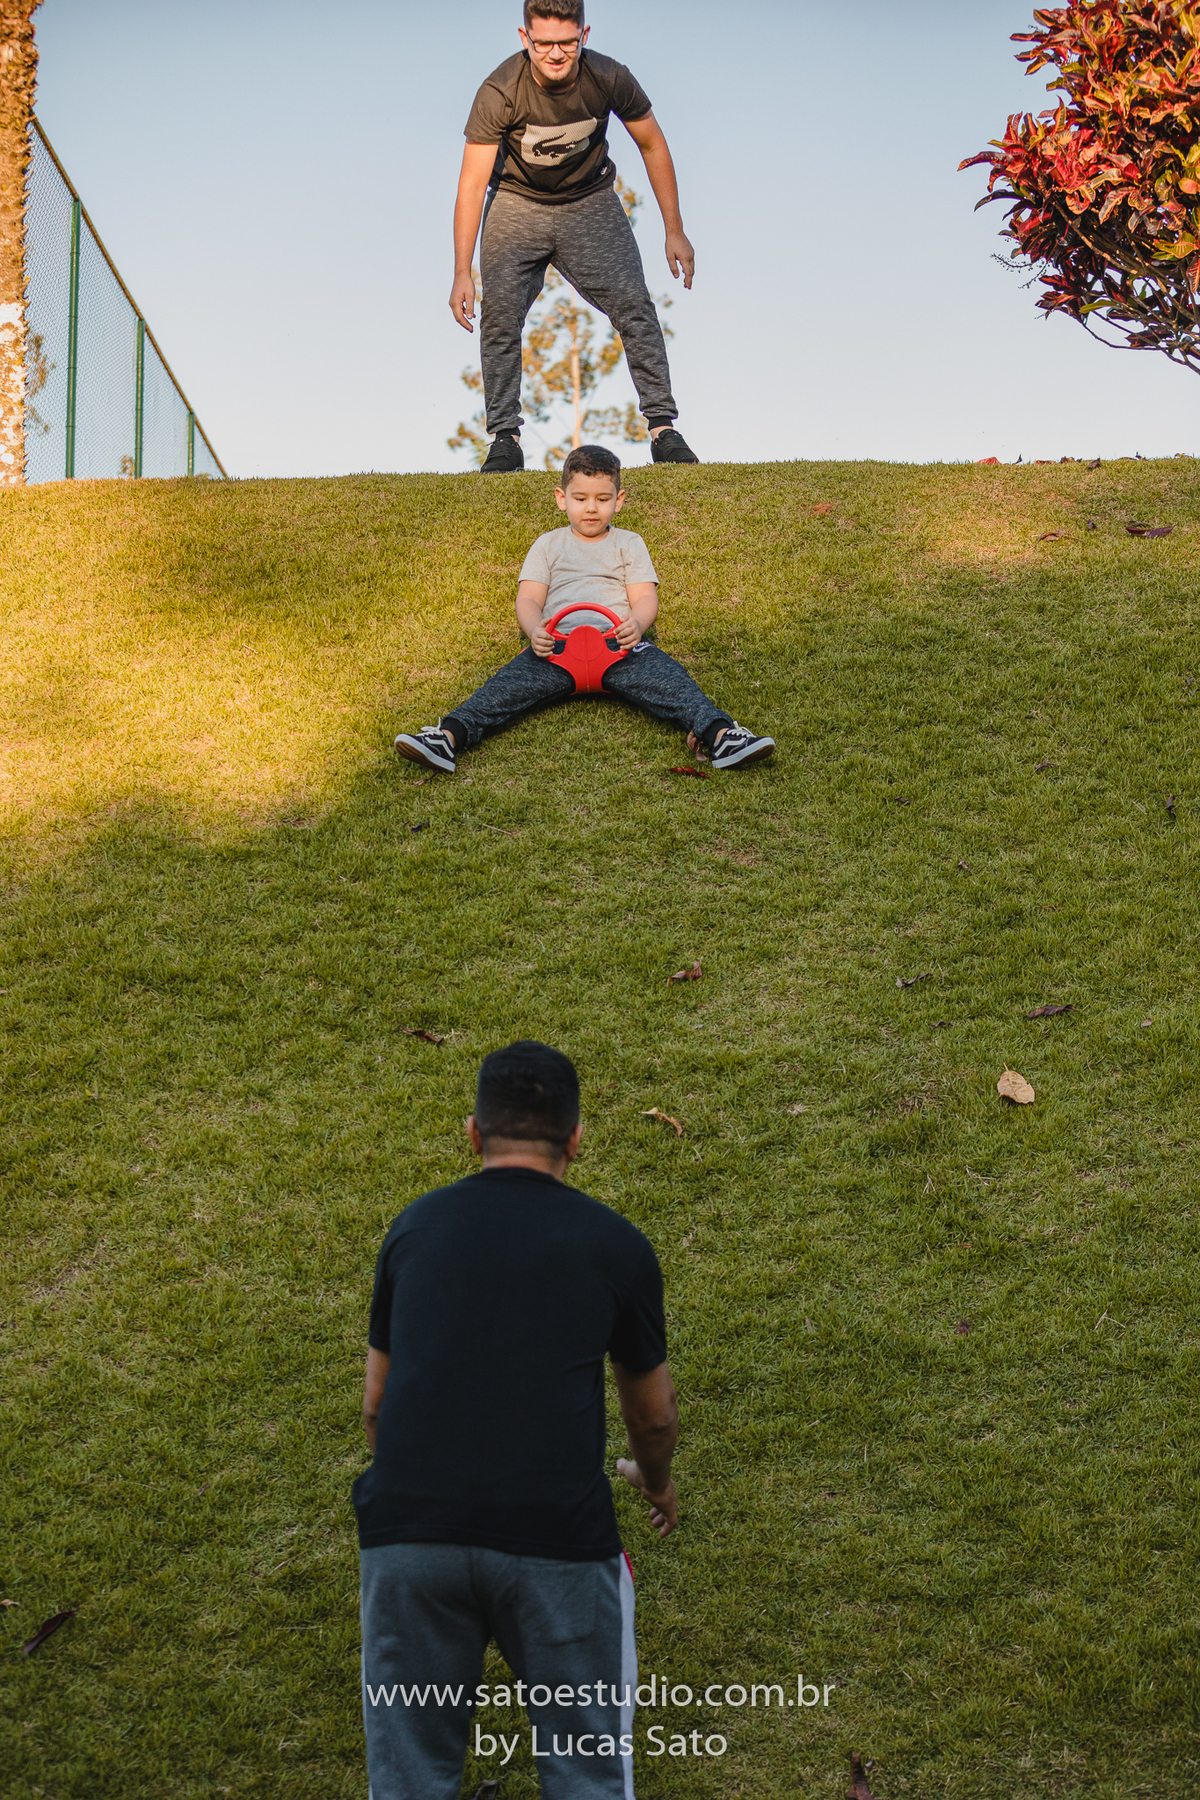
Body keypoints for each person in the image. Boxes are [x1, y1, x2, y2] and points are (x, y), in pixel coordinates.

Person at [354, 1041, 679, 1800]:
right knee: (585, 1772)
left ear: (473, 1133)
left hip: (409, 1533)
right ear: (575, 1139)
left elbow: (377, 1406)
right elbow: (653, 1418)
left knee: (408, 1775)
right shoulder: (616, 1246)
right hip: (556, 1541)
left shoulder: (415, 1231)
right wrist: (653, 1482)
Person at [394, 444, 776, 773]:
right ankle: (447, 737)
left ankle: (722, 737)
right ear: (562, 499)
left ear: (619, 500)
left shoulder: (629, 543)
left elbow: (645, 597)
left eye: (602, 499)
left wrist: (637, 624)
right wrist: (534, 632)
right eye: (580, 499)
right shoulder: (548, 544)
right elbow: (528, 599)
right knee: (500, 691)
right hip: (556, 647)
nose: (591, 508)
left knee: (674, 685)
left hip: (619, 645)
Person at [452, 0, 699, 473]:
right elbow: (470, 182)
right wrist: (462, 271)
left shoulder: (608, 77)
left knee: (635, 304)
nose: (556, 54)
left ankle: (663, 429)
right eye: (544, 44)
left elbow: (652, 143)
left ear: (583, 34)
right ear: (525, 39)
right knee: (499, 314)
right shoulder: (499, 91)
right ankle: (505, 438)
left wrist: (675, 229)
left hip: (589, 203)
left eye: (567, 42)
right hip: (515, 203)